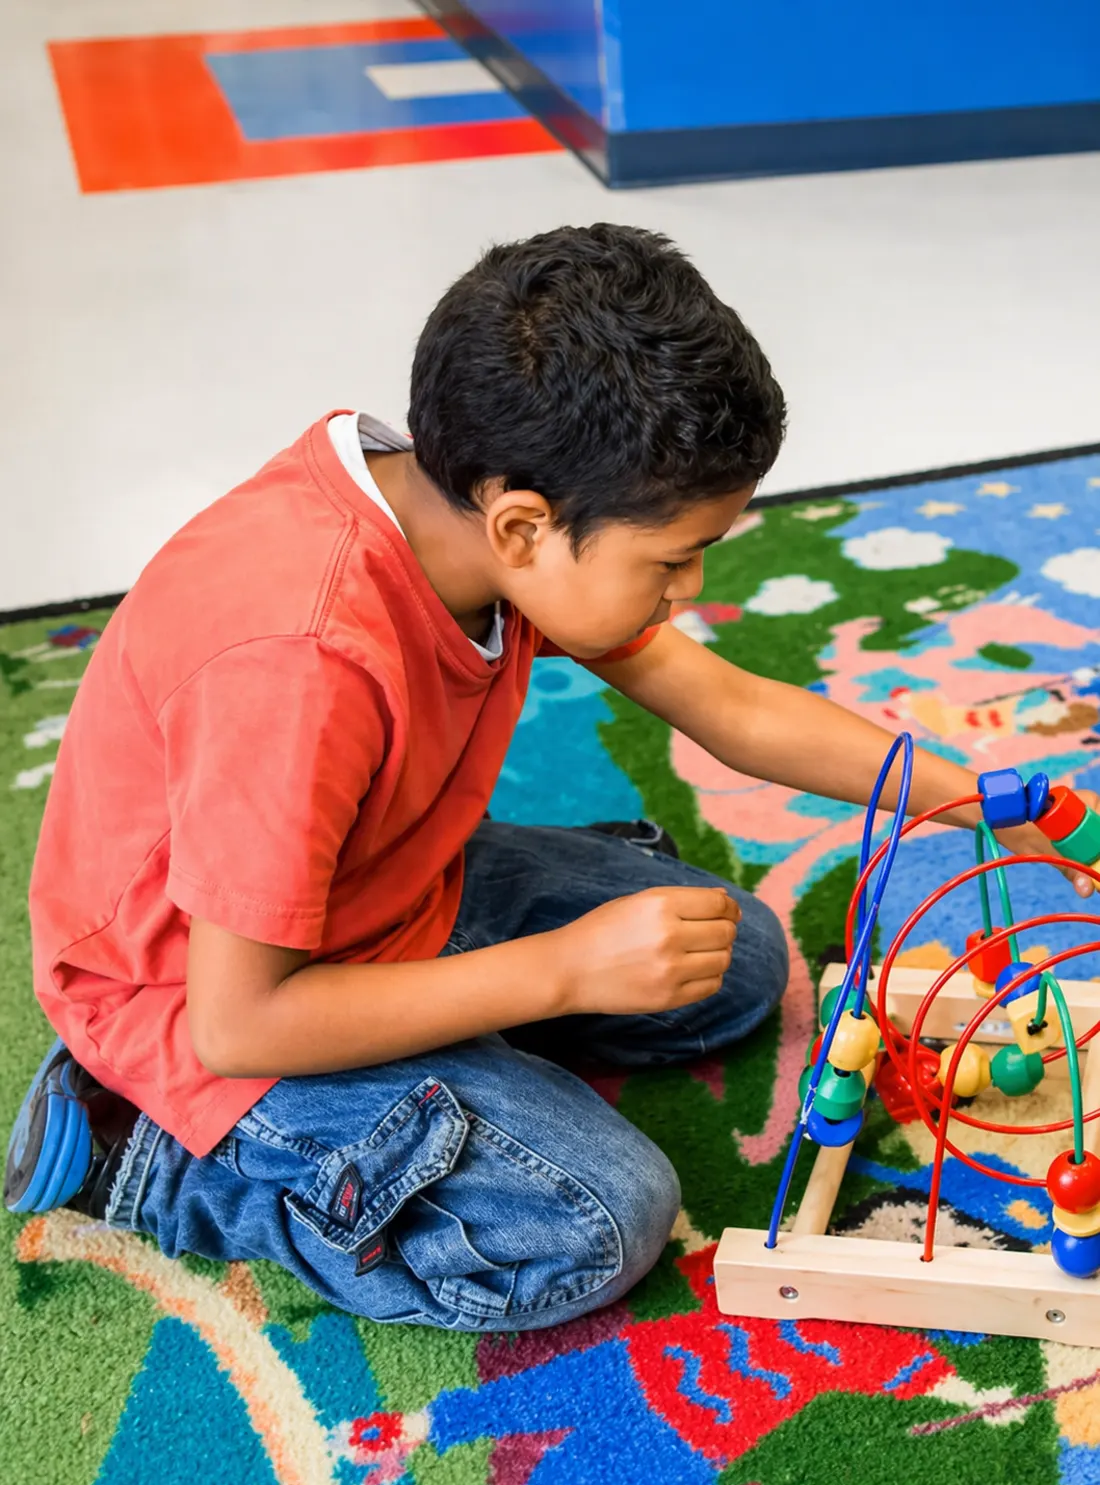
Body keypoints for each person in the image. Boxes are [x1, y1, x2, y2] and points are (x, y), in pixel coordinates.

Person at [5, 224, 1092, 1332]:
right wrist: (563, 970)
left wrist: (997, 798)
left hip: (373, 881)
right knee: (597, 1220)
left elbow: (730, 708)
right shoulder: (302, 663)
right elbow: (240, 1023)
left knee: (734, 959)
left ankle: (445, 1034)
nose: (691, 587)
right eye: (670, 560)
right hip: (197, 995)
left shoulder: (472, 520)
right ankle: (146, 1154)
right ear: (521, 524)